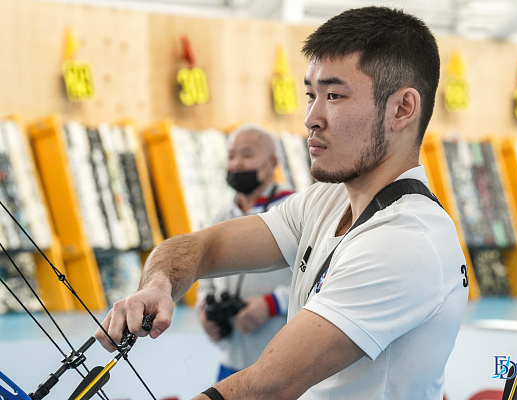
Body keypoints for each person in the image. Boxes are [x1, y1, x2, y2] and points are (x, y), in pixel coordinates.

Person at [97, 6, 468, 399]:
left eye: (334, 95)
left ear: (402, 109)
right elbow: (204, 247)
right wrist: (158, 285)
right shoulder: (325, 201)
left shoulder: (407, 238)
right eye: (310, 95)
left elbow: (269, 386)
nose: (311, 118)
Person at [196, 124, 293, 382]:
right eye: (231, 155)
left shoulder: (294, 211)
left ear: (273, 162)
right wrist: (204, 310)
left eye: (247, 155)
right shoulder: (221, 216)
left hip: (282, 365)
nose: (237, 163)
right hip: (230, 361)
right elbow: (205, 277)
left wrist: (273, 303)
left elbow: (322, 281)